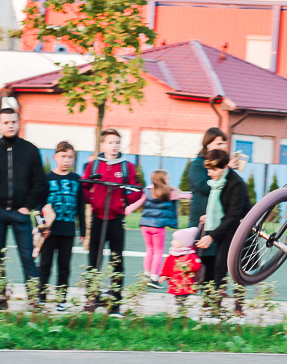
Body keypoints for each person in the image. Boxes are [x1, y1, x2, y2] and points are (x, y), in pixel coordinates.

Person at [0, 108, 47, 309]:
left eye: (13, 121)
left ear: (19, 123)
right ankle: (1, 297)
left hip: (21, 212)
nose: (10, 125)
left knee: (27, 255)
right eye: (6, 122)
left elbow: (39, 182)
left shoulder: (30, 150)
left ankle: (34, 297)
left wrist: (27, 206)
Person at [82, 128, 143, 315]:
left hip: (116, 220)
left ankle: (115, 303)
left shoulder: (127, 167)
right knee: (94, 261)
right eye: (110, 142)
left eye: (117, 142)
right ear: (103, 145)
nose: (114, 146)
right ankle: (91, 299)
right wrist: (92, 201)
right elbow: (84, 187)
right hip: (98, 219)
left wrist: (125, 203)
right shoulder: (93, 165)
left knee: (116, 261)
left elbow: (137, 190)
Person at [37, 141, 86, 309]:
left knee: (64, 267)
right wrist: (41, 227)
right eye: (63, 156)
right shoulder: (46, 178)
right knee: (45, 265)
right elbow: (38, 205)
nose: (66, 160)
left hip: (68, 230)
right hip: (49, 231)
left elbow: (81, 206)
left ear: (74, 159)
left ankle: (61, 299)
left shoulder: (76, 179)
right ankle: (41, 296)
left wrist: (83, 231)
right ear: (55, 157)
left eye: (70, 157)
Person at [194, 149, 250, 290]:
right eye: (208, 169)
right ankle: (215, 305)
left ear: (224, 167)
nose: (209, 173)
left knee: (236, 269)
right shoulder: (218, 182)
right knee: (217, 267)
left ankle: (237, 306)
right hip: (225, 226)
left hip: (239, 228)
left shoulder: (235, 184)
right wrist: (211, 216)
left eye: (213, 170)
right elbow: (222, 206)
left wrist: (211, 237)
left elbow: (233, 216)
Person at [126, 169, 191, 289]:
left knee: (149, 249)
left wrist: (127, 210)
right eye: (168, 178)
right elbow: (187, 195)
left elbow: (137, 203)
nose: (169, 180)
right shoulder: (169, 192)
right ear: (163, 179)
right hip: (158, 227)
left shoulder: (146, 191)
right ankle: (154, 278)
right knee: (158, 252)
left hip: (145, 225)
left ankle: (146, 274)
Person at [187, 128, 228, 228]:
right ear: (208, 145)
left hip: (219, 216)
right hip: (201, 216)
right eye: (219, 144)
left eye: (224, 143)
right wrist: (226, 171)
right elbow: (204, 188)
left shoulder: (224, 165)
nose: (223, 147)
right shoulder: (197, 164)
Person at [160, 227, 201, 301]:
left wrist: (188, 266)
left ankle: (181, 308)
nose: (172, 242)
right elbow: (166, 266)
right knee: (178, 296)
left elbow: (197, 265)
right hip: (175, 282)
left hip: (186, 282)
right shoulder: (172, 255)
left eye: (176, 240)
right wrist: (164, 275)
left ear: (185, 242)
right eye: (173, 240)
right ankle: (180, 307)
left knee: (181, 296)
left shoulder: (190, 255)